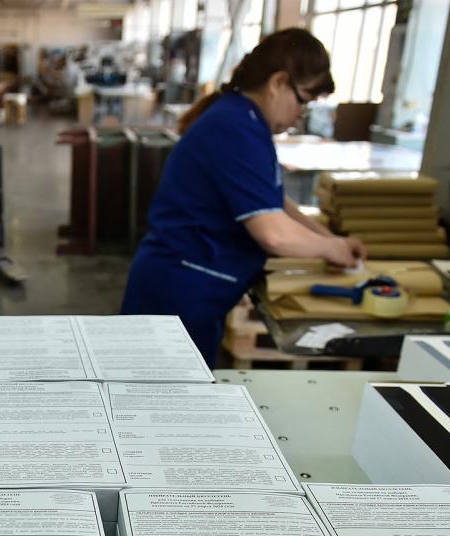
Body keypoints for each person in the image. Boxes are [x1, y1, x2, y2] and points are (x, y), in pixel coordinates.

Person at [121, 28, 364, 367]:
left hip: (195, 290)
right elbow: (273, 232)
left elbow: (271, 200)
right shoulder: (235, 128)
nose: (301, 114)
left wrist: (327, 237)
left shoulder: (246, 122)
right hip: (178, 296)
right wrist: (329, 249)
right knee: (160, 402)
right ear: (278, 82)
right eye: (303, 100)